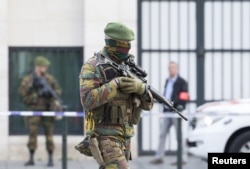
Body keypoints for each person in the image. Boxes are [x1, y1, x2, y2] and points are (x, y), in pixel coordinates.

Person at [78, 22, 154, 169]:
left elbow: (148, 105)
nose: (127, 49)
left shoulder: (128, 67)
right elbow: (87, 100)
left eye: (129, 45)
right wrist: (115, 85)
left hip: (125, 136)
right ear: (111, 43)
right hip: (104, 136)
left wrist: (141, 89)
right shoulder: (93, 66)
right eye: (123, 45)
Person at [19, 56, 62, 167]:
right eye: (43, 66)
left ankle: (50, 159)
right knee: (32, 134)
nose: (45, 68)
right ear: (37, 67)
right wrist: (36, 95)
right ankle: (31, 158)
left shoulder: (49, 79)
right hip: (34, 110)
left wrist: (49, 95)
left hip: (48, 110)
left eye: (46, 66)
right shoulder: (28, 79)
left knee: (49, 135)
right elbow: (23, 94)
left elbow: (57, 91)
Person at [150, 61, 189, 165]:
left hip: (176, 112)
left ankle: (182, 159)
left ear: (177, 69)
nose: (171, 70)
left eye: (173, 68)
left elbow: (184, 97)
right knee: (162, 134)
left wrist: (173, 104)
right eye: (169, 68)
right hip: (166, 112)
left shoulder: (182, 82)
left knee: (179, 136)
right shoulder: (167, 81)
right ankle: (159, 157)